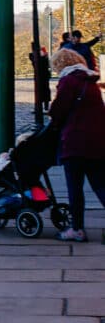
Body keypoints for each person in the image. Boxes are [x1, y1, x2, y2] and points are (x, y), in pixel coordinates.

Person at [48, 47, 105, 241]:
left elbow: (58, 111)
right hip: (97, 141)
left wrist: (52, 111)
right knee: (100, 184)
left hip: (75, 142)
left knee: (75, 187)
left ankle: (77, 229)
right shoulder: (90, 82)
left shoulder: (68, 81)